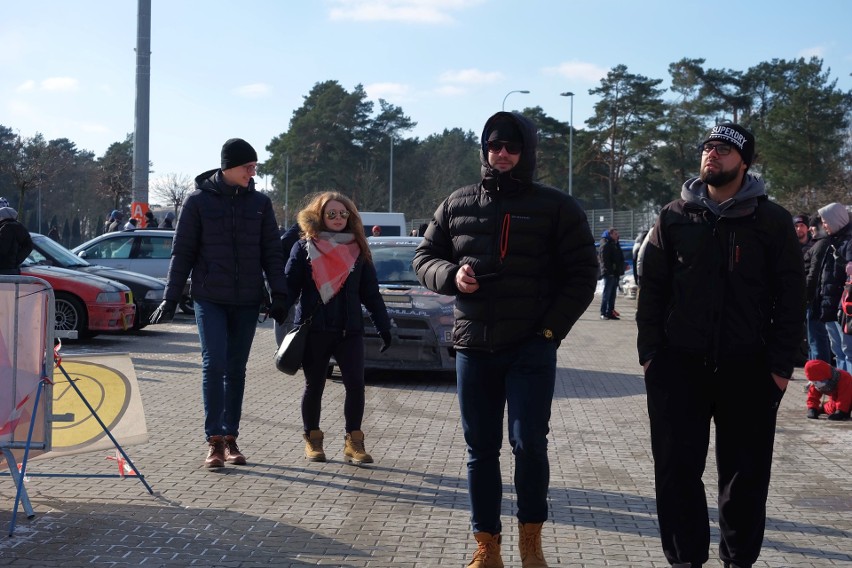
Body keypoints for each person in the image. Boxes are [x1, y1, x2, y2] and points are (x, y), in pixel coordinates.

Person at [412, 111, 598, 568]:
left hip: (531, 348)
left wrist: (549, 332)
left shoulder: (555, 206)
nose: (502, 154)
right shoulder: (457, 203)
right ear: (484, 149)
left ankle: (531, 542)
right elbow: (424, 256)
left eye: (512, 147)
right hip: (473, 347)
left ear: (526, 152)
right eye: (494, 145)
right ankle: (487, 546)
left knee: (529, 444)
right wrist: (453, 276)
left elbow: (582, 275)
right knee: (481, 451)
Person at [637, 122, 805, 568]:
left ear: (744, 162)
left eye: (725, 150)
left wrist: (779, 369)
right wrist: (652, 356)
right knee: (675, 476)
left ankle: (737, 562)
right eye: (708, 148)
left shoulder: (771, 221)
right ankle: (686, 561)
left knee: (745, 480)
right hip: (679, 368)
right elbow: (651, 289)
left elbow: (791, 298)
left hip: (749, 370)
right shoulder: (673, 216)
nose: (713, 155)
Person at [149, 138, 289, 468]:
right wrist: (171, 297)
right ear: (228, 166)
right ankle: (213, 440)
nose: (253, 172)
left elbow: (272, 252)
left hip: (247, 300)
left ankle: (231, 438)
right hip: (209, 297)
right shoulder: (197, 202)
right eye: (248, 167)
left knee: (236, 370)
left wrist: (280, 294)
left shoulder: (260, 204)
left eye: (255, 167)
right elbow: (182, 252)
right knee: (214, 365)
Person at [281, 191, 391, 466]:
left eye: (344, 213)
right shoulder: (304, 247)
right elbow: (289, 287)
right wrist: (273, 306)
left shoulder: (359, 248)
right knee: (314, 385)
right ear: (319, 216)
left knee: (356, 385)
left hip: (349, 330)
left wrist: (384, 326)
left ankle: (354, 442)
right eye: (331, 213)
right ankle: (313, 440)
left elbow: (371, 294)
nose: (338, 218)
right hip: (314, 330)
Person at [814, 202, 852, 372]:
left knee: (848, 352)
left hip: (843, 310)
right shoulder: (830, 242)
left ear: (835, 220)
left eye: (826, 221)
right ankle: (842, 393)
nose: (824, 225)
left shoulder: (848, 243)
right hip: (829, 307)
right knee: (838, 353)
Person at [804, 215, 832, 363]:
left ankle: (820, 377)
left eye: (813, 225)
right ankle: (815, 375)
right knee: (813, 340)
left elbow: (814, 272)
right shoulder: (818, 244)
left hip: (814, 300)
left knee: (816, 340)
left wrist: (806, 296)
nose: (810, 229)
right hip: (813, 298)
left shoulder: (821, 245)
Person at [598, 228, 624, 320]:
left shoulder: (615, 244)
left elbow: (619, 257)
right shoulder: (606, 244)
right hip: (609, 274)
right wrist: (609, 272)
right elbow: (604, 261)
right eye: (616, 234)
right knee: (607, 294)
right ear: (610, 234)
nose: (618, 235)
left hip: (615, 273)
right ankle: (603, 312)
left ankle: (610, 312)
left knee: (613, 294)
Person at [0, 206, 33, 275]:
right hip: (13, 269)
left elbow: (2, 249)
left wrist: (15, 260)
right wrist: (17, 260)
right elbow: (29, 245)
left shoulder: (6, 229)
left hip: (3, 270)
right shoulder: (20, 228)